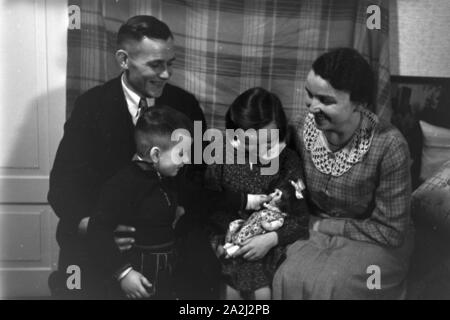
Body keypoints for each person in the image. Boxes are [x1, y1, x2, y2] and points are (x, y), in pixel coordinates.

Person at [48, 15, 214, 299]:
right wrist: (96, 226)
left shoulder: (184, 105)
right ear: (124, 60)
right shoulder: (91, 106)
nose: (166, 74)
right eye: (155, 65)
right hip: (102, 233)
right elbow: (63, 185)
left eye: (170, 64)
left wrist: (175, 213)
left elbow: (198, 171)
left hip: (166, 236)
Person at [272, 48, 414, 299]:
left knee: (332, 284)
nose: (312, 107)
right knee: (287, 275)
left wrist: (321, 225)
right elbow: (287, 186)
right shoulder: (301, 128)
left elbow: (390, 231)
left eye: (326, 100)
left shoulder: (390, 146)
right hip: (314, 228)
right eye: (309, 94)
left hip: (374, 238)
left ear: (360, 104)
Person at [205, 87, 310, 300]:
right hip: (226, 240)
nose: (260, 152)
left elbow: (299, 218)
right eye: (248, 144)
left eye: (268, 143)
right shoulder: (220, 156)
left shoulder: (288, 162)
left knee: (263, 292)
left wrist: (271, 239)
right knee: (228, 289)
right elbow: (208, 205)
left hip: (268, 243)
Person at [88, 107, 192, 299]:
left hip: (164, 269)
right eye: (181, 154)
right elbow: (97, 230)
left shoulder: (166, 177)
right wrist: (123, 273)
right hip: (137, 274)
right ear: (155, 155)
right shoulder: (123, 184)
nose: (186, 160)